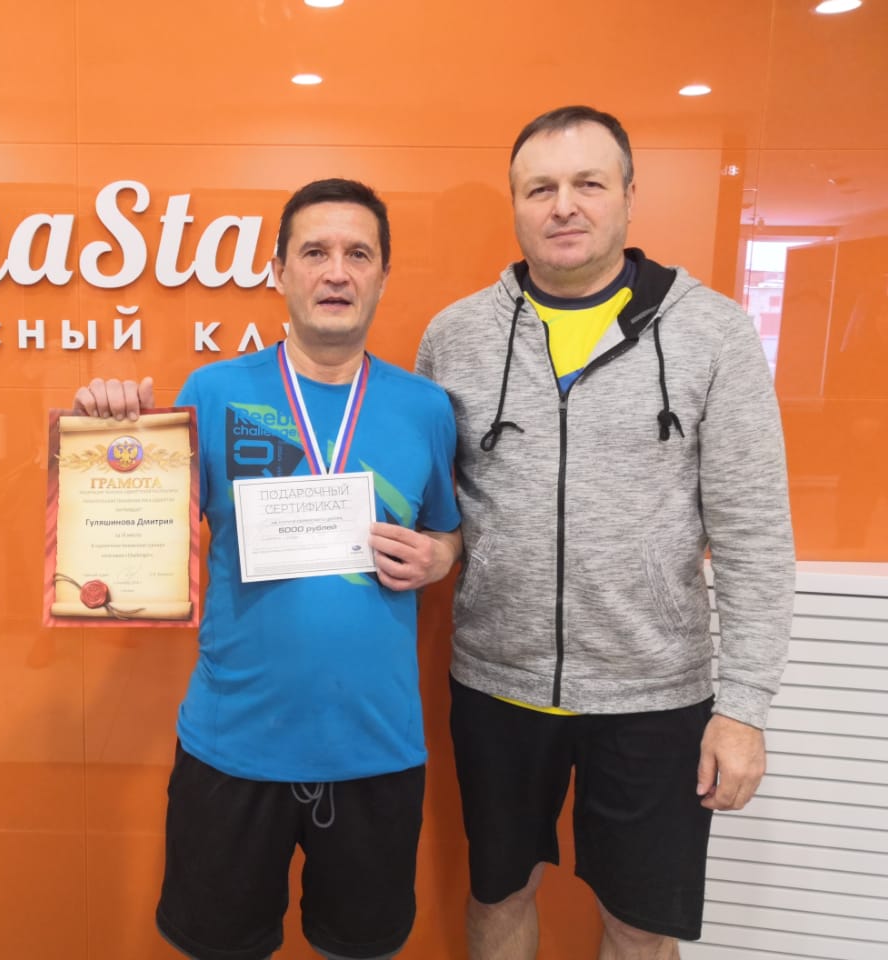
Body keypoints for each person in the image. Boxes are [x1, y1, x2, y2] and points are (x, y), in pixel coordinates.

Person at [416, 106, 795, 959]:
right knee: (498, 894)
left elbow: (755, 535)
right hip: (498, 688)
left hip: (655, 697)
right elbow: (441, 509)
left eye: (588, 183)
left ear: (628, 195)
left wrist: (743, 708)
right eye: (540, 188)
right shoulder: (455, 336)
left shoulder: (712, 333)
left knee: (640, 924)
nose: (564, 206)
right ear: (516, 204)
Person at [75, 178, 462, 960]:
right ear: (279, 270)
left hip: (375, 749)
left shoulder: (424, 407)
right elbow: (129, 548)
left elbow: (448, 534)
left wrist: (440, 556)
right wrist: (107, 443)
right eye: (314, 252)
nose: (336, 272)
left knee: (361, 948)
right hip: (233, 747)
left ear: (384, 274)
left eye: (358, 254)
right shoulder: (214, 392)